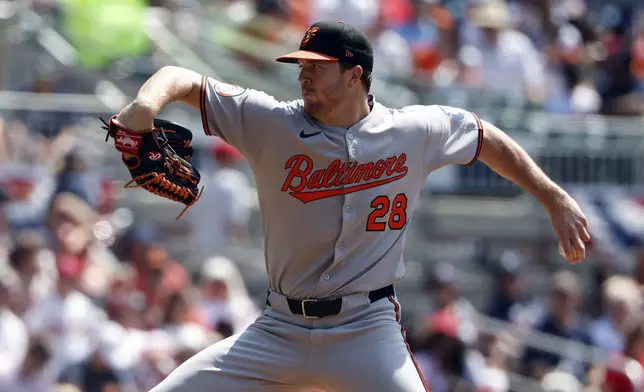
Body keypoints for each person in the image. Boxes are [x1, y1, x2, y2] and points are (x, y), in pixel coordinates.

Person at [111, 20, 591, 392]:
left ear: (354, 74)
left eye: (316, 66)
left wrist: (552, 195)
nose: (303, 75)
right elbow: (179, 77)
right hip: (278, 329)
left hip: (366, 330)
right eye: (300, 66)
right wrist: (144, 105)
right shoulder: (270, 122)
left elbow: (483, 135)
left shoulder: (413, 129)